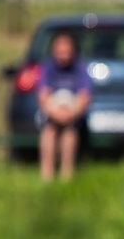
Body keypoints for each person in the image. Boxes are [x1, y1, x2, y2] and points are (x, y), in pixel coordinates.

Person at [35, 32, 91, 182]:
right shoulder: (48, 68)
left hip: (72, 113)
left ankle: (67, 175)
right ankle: (47, 175)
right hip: (52, 112)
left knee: (69, 132)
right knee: (49, 132)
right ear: (54, 51)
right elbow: (43, 96)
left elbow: (85, 96)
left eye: (67, 52)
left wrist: (70, 113)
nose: (64, 56)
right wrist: (55, 113)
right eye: (60, 52)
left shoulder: (80, 68)